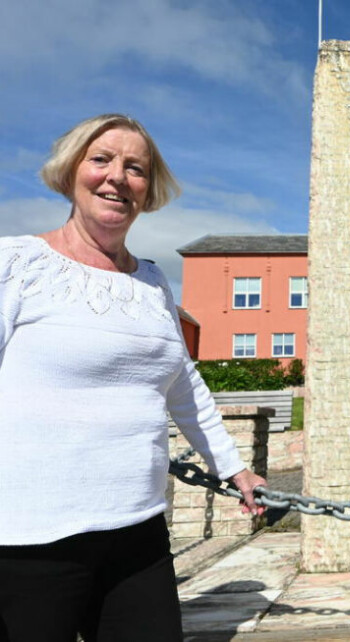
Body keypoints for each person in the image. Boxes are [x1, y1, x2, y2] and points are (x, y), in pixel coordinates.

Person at [0, 114, 267, 642]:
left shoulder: (151, 282)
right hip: (29, 538)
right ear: (71, 170)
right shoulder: (17, 263)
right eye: (100, 159)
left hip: (138, 534)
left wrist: (236, 470)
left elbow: (184, 386)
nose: (117, 177)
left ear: (148, 189)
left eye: (135, 167)